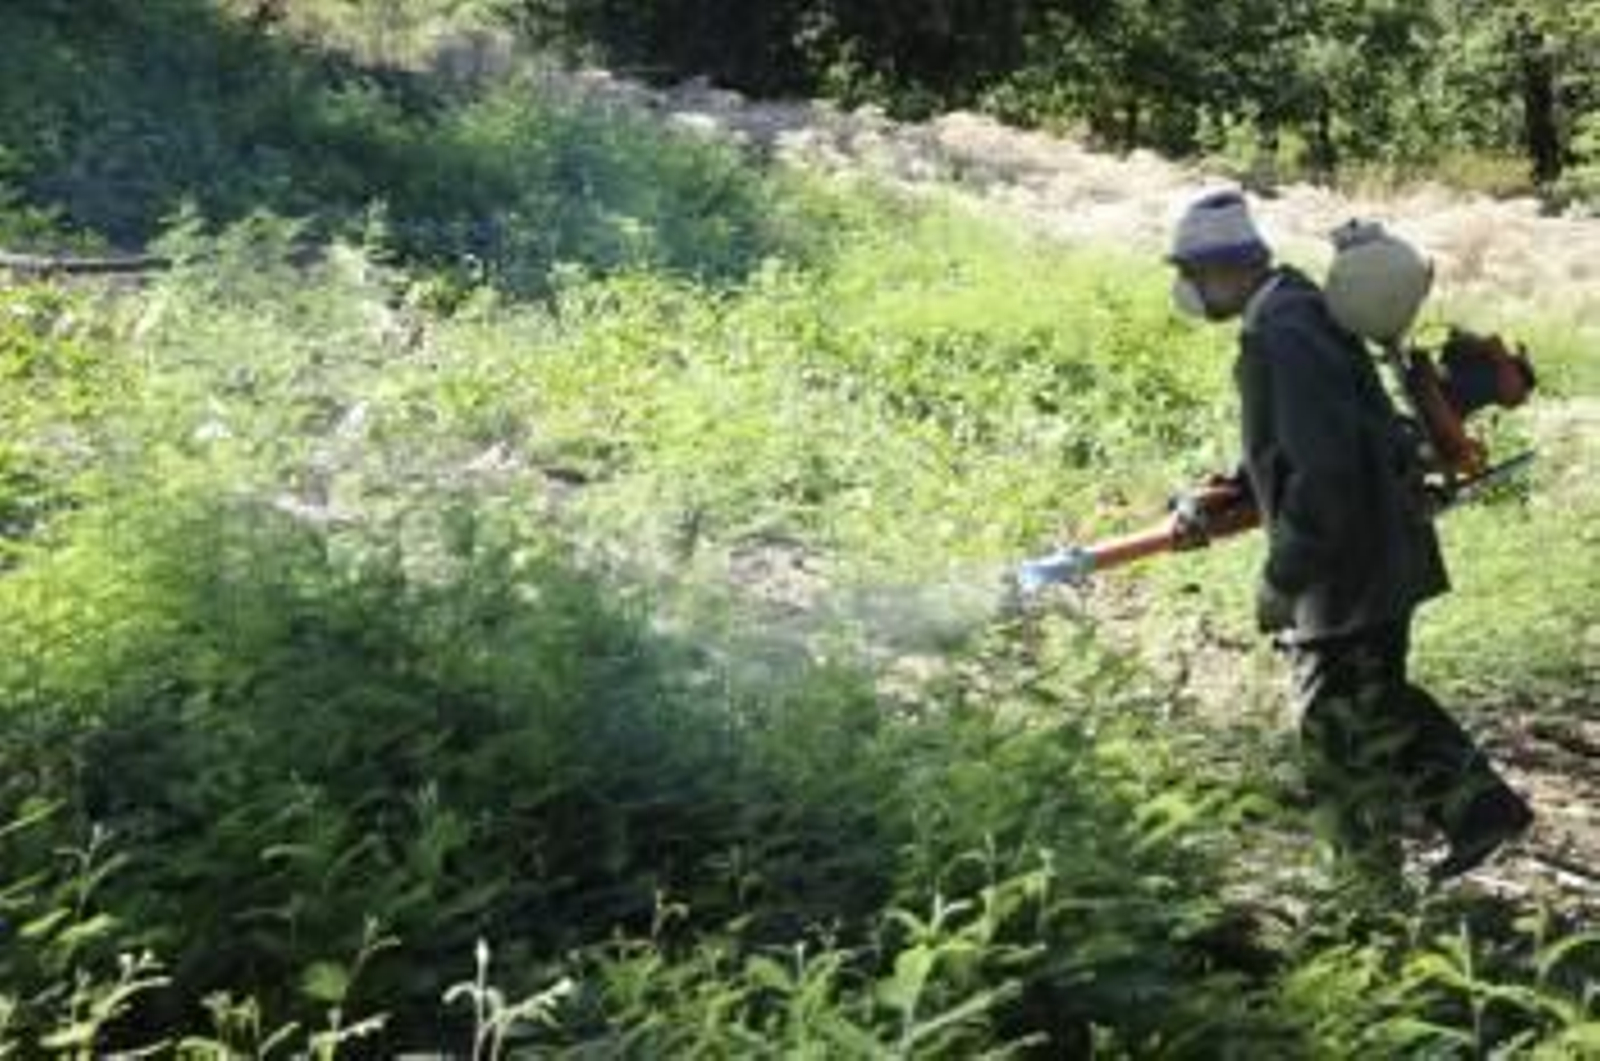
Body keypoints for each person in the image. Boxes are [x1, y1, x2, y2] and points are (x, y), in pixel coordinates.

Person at [1166, 189, 1532, 885]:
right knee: (1378, 700)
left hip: (1346, 567)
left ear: (1223, 269)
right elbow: (1311, 434)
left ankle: (1365, 890)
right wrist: (1230, 486)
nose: (1185, 286)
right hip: (1373, 549)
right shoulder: (1295, 308)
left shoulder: (1283, 332)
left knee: (1335, 736)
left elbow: (1326, 469)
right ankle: (1479, 811)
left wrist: (1286, 573)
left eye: (1189, 270)